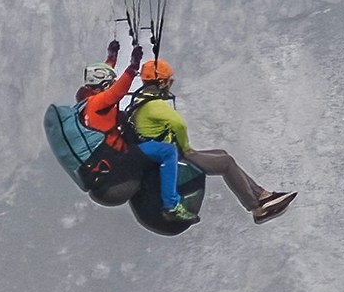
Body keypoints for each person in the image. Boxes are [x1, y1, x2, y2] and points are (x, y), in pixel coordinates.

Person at [123, 55, 294, 225]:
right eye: (169, 81)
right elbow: (179, 124)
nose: (170, 85)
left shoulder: (141, 100)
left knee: (222, 154)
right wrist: (186, 148)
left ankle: (263, 195)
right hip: (175, 153)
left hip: (164, 151)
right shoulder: (155, 104)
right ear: (161, 83)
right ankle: (258, 208)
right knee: (225, 162)